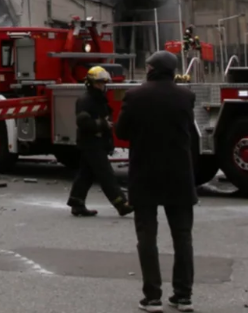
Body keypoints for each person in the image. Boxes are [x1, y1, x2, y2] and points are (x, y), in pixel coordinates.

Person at [115, 51, 197, 312]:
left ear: (151, 69)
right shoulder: (186, 96)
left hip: (145, 174)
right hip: (179, 174)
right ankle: (183, 296)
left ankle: (152, 297)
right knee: (182, 236)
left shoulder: (135, 96)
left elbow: (122, 131)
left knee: (147, 236)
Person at [67, 66, 133, 217]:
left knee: (86, 174)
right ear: (91, 83)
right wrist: (102, 124)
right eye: (99, 83)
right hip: (91, 143)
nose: (102, 86)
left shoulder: (98, 99)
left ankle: (76, 203)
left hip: (95, 142)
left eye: (103, 83)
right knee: (106, 174)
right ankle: (121, 204)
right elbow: (82, 122)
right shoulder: (86, 100)